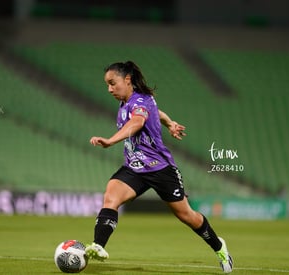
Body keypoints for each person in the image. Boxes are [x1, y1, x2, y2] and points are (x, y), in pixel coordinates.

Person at [86, 61, 233, 273]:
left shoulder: (140, 100)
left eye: (112, 83)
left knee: (186, 216)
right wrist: (170, 122)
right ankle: (98, 246)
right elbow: (156, 111)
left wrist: (110, 141)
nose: (109, 89)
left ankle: (219, 247)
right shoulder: (131, 102)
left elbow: (137, 122)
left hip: (160, 169)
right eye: (107, 85)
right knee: (111, 197)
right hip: (134, 168)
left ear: (127, 79)